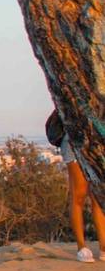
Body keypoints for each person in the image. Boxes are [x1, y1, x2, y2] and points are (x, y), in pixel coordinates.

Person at [46, 109, 105, 262]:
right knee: (79, 194)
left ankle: (103, 247)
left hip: (98, 142)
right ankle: (81, 247)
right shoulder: (71, 87)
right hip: (74, 141)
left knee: (98, 196)